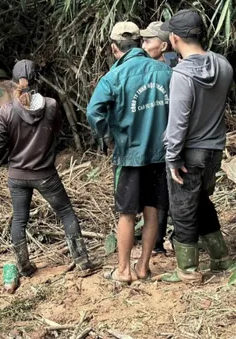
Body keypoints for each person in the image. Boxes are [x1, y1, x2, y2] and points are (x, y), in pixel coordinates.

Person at [0, 60, 94, 281]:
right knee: (66, 212)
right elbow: (55, 130)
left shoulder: (5, 112)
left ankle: (24, 266)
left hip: (17, 175)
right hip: (46, 175)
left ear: (13, 81)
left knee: (19, 219)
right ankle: (82, 260)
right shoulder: (51, 105)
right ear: (38, 79)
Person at [86, 22, 172, 284]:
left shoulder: (113, 77)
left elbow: (94, 112)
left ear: (114, 48)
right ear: (139, 43)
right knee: (153, 210)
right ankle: (143, 267)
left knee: (126, 213)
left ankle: (123, 270)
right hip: (161, 154)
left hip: (130, 155)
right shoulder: (166, 71)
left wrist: (109, 134)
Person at [161, 10, 235, 283]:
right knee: (201, 201)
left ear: (174, 38)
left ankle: (188, 270)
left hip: (189, 153)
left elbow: (178, 123)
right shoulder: (223, 65)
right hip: (214, 150)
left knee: (182, 208)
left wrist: (172, 158)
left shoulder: (182, 75)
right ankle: (221, 258)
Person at [131, 21, 179, 257]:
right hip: (147, 143)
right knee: (153, 194)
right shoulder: (143, 68)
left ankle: (162, 241)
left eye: (148, 40)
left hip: (168, 144)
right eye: (143, 39)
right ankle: (155, 239)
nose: (143, 44)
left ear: (163, 45)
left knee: (164, 194)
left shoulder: (175, 70)